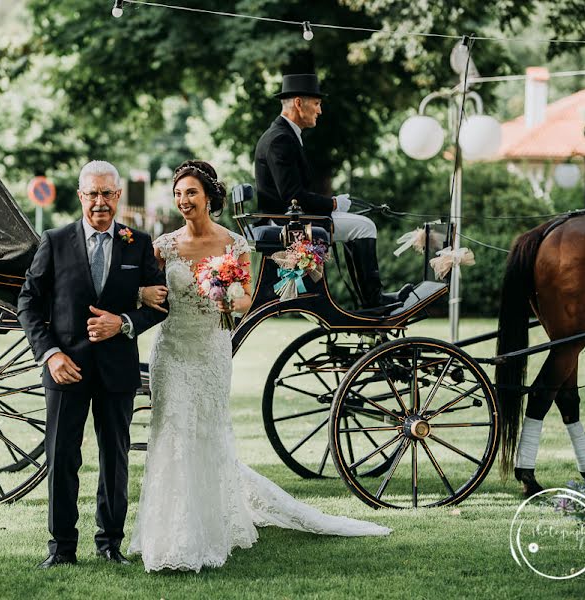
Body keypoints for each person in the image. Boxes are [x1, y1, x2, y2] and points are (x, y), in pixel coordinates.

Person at [127, 160, 390, 573]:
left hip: (213, 349)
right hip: (173, 351)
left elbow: (246, 297)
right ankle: (169, 532)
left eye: (191, 193)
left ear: (209, 198)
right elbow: (148, 292)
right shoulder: (163, 246)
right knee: (171, 431)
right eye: (179, 194)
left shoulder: (233, 243)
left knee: (209, 431)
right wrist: (143, 293)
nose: (184, 200)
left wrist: (226, 299)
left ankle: (210, 524)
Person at [17, 160, 167, 568]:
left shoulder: (138, 242)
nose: (100, 202)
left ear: (118, 196)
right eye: (92, 194)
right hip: (66, 368)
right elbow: (28, 302)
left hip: (117, 369)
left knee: (115, 458)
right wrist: (50, 354)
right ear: (80, 195)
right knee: (63, 456)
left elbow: (161, 303)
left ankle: (110, 543)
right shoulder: (55, 239)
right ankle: (62, 548)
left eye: (107, 194)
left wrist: (124, 323)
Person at [254, 73, 411, 310]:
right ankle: (373, 300)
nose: (320, 110)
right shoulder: (280, 139)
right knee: (365, 226)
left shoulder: (283, 134)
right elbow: (292, 196)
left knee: (360, 224)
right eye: (316, 104)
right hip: (287, 222)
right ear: (299, 103)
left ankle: (369, 300)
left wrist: (332, 203)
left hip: (290, 217)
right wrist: (333, 204)